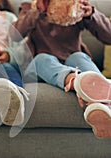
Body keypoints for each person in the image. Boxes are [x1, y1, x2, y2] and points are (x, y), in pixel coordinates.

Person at [13, 0, 111, 138]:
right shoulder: (30, 8)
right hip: (39, 70)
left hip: (72, 62)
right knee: (43, 58)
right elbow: (13, 35)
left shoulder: (76, 7)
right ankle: (75, 80)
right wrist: (37, 12)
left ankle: (102, 102)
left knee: (79, 56)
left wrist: (91, 15)